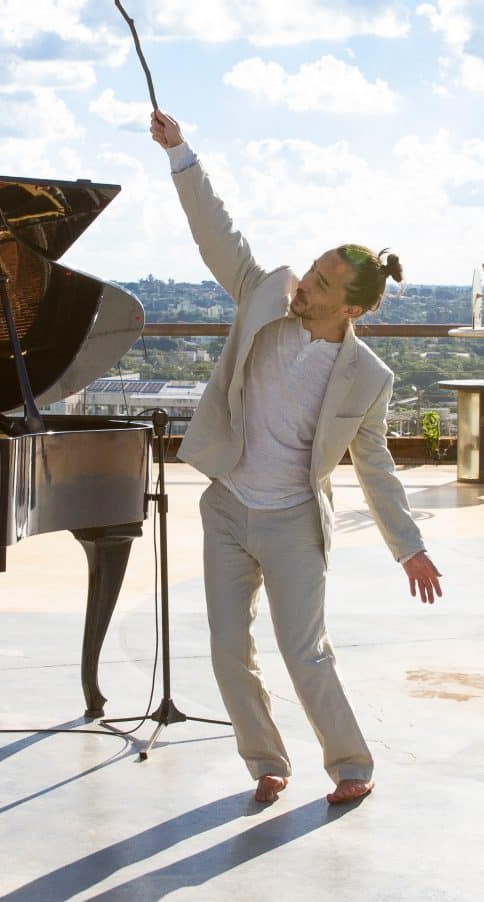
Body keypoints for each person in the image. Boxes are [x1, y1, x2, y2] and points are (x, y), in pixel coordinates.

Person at [149, 110, 443, 805]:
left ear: (351, 309)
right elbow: (216, 234)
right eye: (310, 270)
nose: (303, 284)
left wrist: (410, 547)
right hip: (227, 508)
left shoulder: (367, 378)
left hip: (292, 526)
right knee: (227, 652)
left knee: (304, 651)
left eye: (319, 283)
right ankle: (266, 762)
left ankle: (351, 765)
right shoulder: (265, 299)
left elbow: (375, 466)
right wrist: (182, 153)